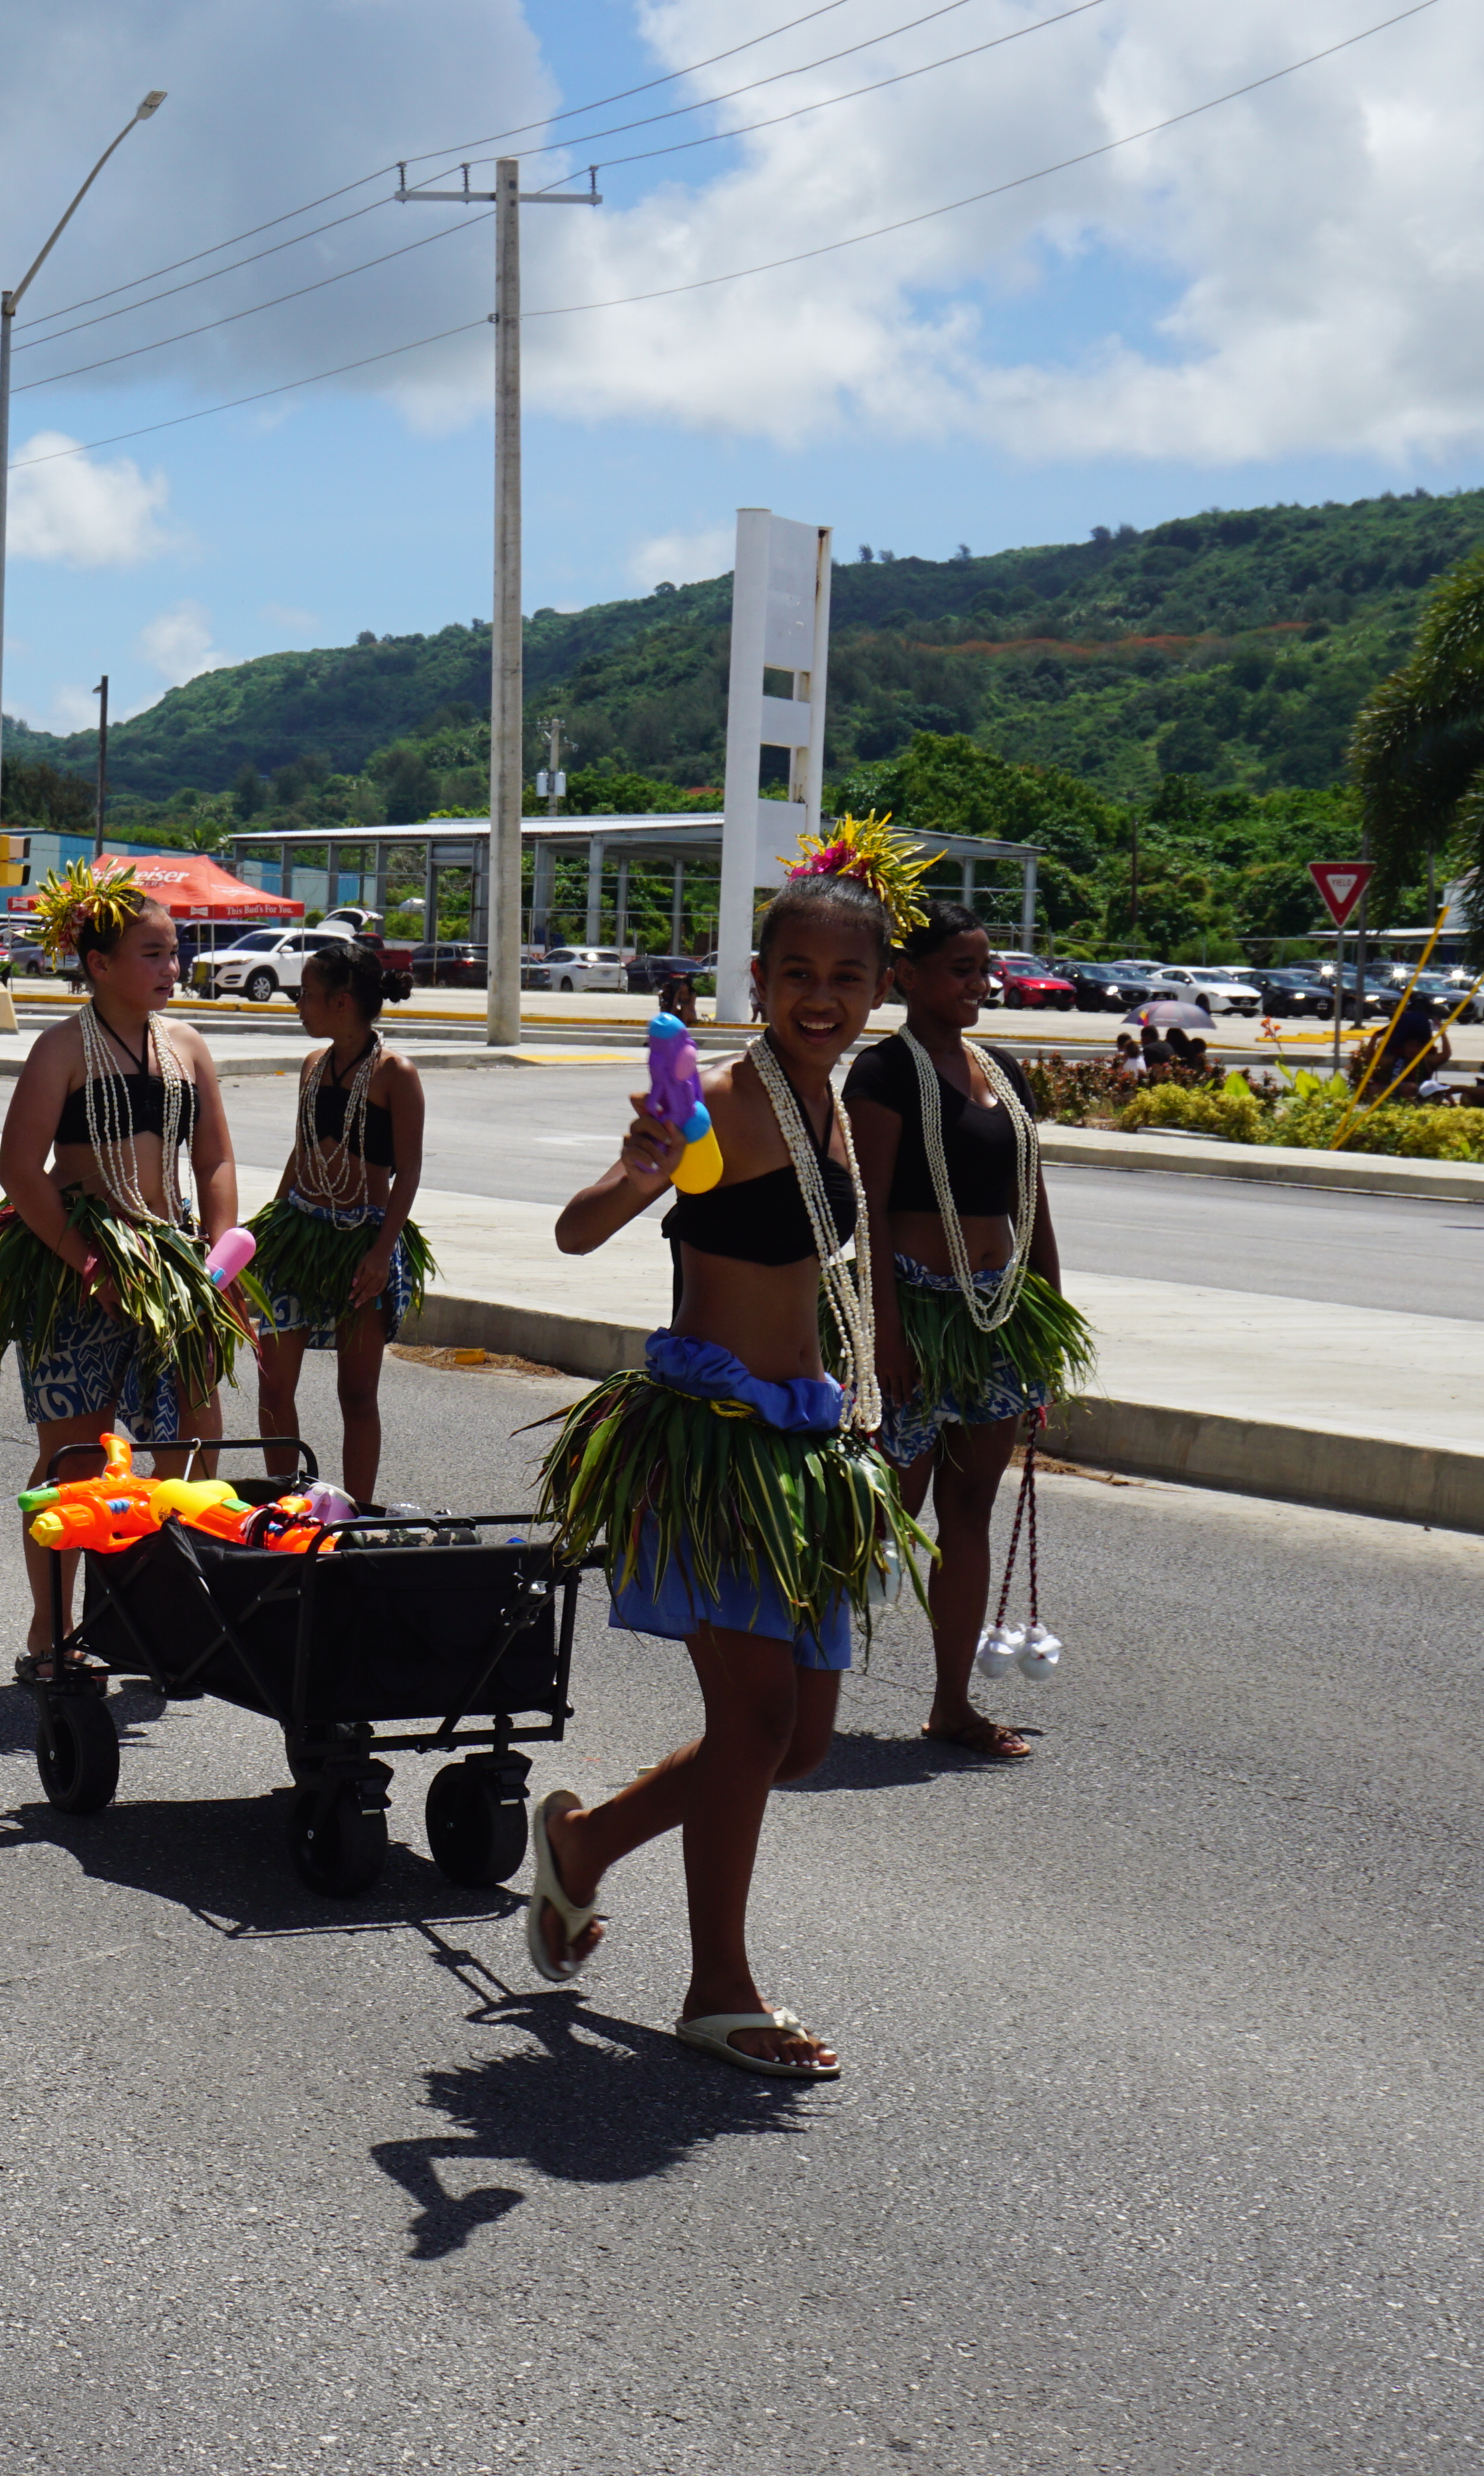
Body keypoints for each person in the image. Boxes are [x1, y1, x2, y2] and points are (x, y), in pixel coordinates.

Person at [529, 820, 930, 2081]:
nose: (822, 998)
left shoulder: (837, 1108)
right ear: (759, 982)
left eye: (846, 979)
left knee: (797, 1743)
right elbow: (579, 1232)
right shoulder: (716, 1096)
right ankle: (718, 1989)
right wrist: (646, 1163)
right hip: (711, 1443)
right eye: (797, 976)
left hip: (807, 1445)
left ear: (878, 992)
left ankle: (584, 1849)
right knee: (755, 1725)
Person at [0, 863, 250, 1683]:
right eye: (152, 953)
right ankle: (54, 1631)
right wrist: (87, 1263)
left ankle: (156, 1613)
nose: (170, 968)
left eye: (175, 953)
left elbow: (214, 1155)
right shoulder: (60, 1051)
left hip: (172, 1260)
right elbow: (20, 1168)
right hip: (77, 1264)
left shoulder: (186, 1048)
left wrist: (217, 1252)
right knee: (77, 1460)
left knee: (195, 1439)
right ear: (100, 963)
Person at [843, 903, 1097, 1764]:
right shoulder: (880, 1076)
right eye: (958, 967)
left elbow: (1035, 1200)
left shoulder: (1002, 1070)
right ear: (904, 976)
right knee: (890, 1514)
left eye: (982, 967)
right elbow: (868, 1213)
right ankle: (794, 1692)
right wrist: (884, 1338)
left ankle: (952, 1705)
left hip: (995, 1321)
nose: (976, 983)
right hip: (914, 1316)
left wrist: (1045, 1333)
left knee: (970, 1511)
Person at [245, 939, 431, 1507]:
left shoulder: (396, 1074)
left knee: (356, 1393)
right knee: (274, 1385)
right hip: (301, 1231)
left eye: (307, 994)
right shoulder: (312, 1065)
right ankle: (286, 1503)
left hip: (361, 1240)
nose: (298, 1003)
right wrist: (267, 1231)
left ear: (343, 1002)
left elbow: (411, 1172)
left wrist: (381, 1252)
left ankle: (353, 1517)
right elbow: (300, 1152)